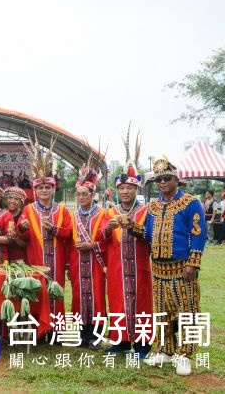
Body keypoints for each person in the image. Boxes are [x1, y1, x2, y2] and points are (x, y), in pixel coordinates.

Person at [128, 156, 206, 376]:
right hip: (159, 268)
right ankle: (165, 350)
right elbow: (148, 235)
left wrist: (193, 262)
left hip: (182, 267)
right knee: (162, 313)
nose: (162, 182)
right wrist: (133, 226)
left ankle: (185, 354)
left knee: (187, 311)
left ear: (176, 179)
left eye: (167, 178)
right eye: (159, 179)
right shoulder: (153, 207)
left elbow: (199, 235)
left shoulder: (191, 203)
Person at [101, 153, 152, 359]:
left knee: (141, 303)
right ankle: (121, 341)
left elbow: (151, 236)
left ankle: (142, 344)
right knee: (118, 301)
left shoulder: (147, 211)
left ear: (136, 189)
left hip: (139, 266)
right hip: (117, 267)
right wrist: (108, 228)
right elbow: (101, 238)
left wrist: (133, 227)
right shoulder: (110, 212)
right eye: (121, 188)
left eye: (129, 188)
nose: (125, 191)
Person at [17, 142, 72, 318]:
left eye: (47, 187)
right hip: (36, 256)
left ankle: (57, 329)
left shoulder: (61, 209)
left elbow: (69, 233)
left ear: (53, 189)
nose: (44, 190)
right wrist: (23, 228)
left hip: (57, 258)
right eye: (40, 188)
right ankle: (40, 328)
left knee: (57, 290)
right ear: (35, 190)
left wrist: (55, 229)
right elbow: (21, 235)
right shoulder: (28, 209)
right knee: (37, 289)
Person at [68, 164, 108, 350]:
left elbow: (108, 240)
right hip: (78, 263)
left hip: (96, 263)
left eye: (85, 194)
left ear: (92, 195)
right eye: (79, 194)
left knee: (97, 297)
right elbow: (69, 239)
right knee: (79, 297)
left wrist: (92, 246)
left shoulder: (102, 215)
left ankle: (97, 336)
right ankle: (83, 335)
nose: (81, 197)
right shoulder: (73, 215)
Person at [3, 187, 28, 262]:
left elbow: (28, 245)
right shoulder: (0, 214)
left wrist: (16, 238)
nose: (12, 201)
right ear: (6, 199)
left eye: (16, 199)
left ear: (21, 202)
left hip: (20, 257)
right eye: (10, 198)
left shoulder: (25, 217)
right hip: (3, 255)